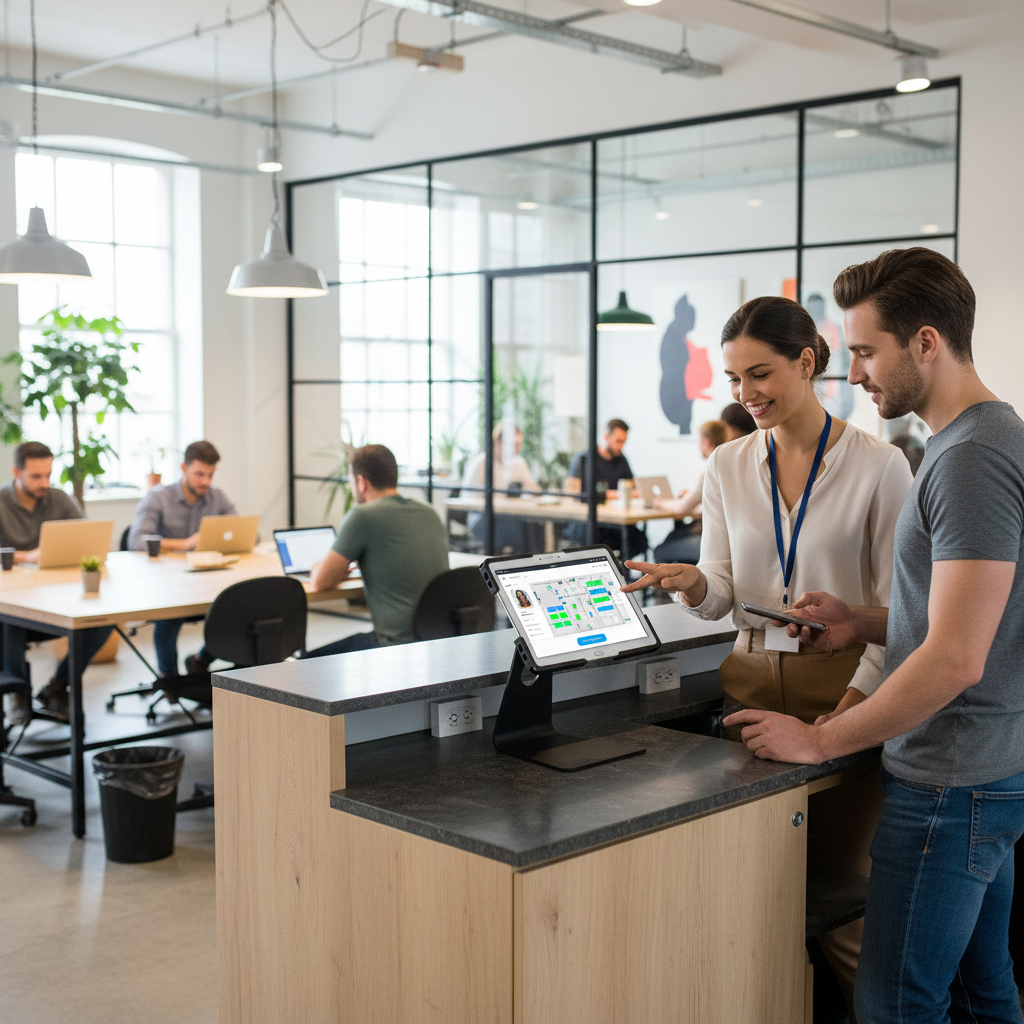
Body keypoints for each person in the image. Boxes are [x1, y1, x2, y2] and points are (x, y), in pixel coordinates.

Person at [721, 249, 1024, 1024]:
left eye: (863, 350)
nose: (853, 373)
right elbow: (966, 621)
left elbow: (956, 658)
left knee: (895, 1004)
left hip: (950, 780)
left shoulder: (967, 460)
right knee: (981, 991)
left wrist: (824, 740)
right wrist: (861, 622)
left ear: (925, 343)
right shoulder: (988, 438)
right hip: (985, 771)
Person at [622, 294, 913, 1016]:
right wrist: (692, 584)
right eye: (732, 381)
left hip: (847, 696)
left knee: (838, 899)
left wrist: (845, 717)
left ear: (807, 362)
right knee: (751, 899)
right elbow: (723, 594)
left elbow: (901, 618)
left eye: (760, 374)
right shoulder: (726, 465)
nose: (745, 394)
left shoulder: (879, 467)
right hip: (749, 688)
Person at [0, 441, 114, 723]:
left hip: (56, 596)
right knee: (9, 614)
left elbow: (87, 539)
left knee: (103, 619)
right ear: (17, 471)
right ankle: (18, 693)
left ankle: (57, 686)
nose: (44, 483)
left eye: (48, 475)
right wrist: (29, 556)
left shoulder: (58, 499)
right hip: (14, 601)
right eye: (36, 476)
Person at [304, 444, 449, 656]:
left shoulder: (363, 516)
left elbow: (320, 581)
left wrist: (320, 567)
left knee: (304, 662)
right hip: (437, 644)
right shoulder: (430, 513)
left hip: (393, 648)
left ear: (361, 482)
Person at [127, 440, 238, 676]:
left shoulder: (217, 497)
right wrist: (185, 545)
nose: (205, 482)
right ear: (183, 468)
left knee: (238, 606)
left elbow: (247, 533)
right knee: (170, 613)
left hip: (208, 582)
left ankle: (201, 660)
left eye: (210, 475)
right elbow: (136, 541)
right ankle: (169, 680)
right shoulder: (158, 497)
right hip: (167, 584)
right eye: (199, 474)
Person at [565, 418, 645, 560]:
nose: (621, 446)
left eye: (624, 441)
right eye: (618, 441)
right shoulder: (584, 459)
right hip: (589, 523)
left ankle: (622, 575)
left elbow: (636, 489)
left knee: (639, 540)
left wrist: (609, 494)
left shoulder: (621, 459)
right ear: (606, 436)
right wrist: (618, 494)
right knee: (616, 539)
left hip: (615, 522)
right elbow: (572, 494)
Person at [652, 419, 727, 565]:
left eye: (698, 442)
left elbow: (682, 508)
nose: (698, 447)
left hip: (712, 543)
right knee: (674, 536)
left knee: (660, 550)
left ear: (706, 443)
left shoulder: (709, 467)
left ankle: (666, 587)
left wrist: (661, 502)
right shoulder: (728, 463)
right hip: (728, 540)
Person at [461, 425, 540, 553]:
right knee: (520, 529)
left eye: (519, 445)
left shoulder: (518, 463)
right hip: (483, 519)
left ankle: (533, 563)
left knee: (535, 526)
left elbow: (534, 491)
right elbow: (469, 498)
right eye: (513, 445)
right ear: (498, 443)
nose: (516, 450)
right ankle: (520, 565)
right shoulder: (481, 463)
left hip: (511, 515)